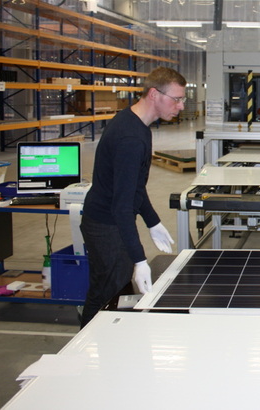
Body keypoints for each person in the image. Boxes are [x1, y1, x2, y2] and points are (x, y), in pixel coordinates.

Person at [79, 66, 187, 328]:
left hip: (108, 219)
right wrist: (139, 259)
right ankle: (84, 352)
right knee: (108, 295)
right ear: (154, 94)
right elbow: (122, 206)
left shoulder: (136, 125)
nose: (181, 106)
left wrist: (152, 221)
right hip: (106, 226)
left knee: (109, 290)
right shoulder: (131, 138)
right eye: (177, 99)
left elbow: (136, 187)